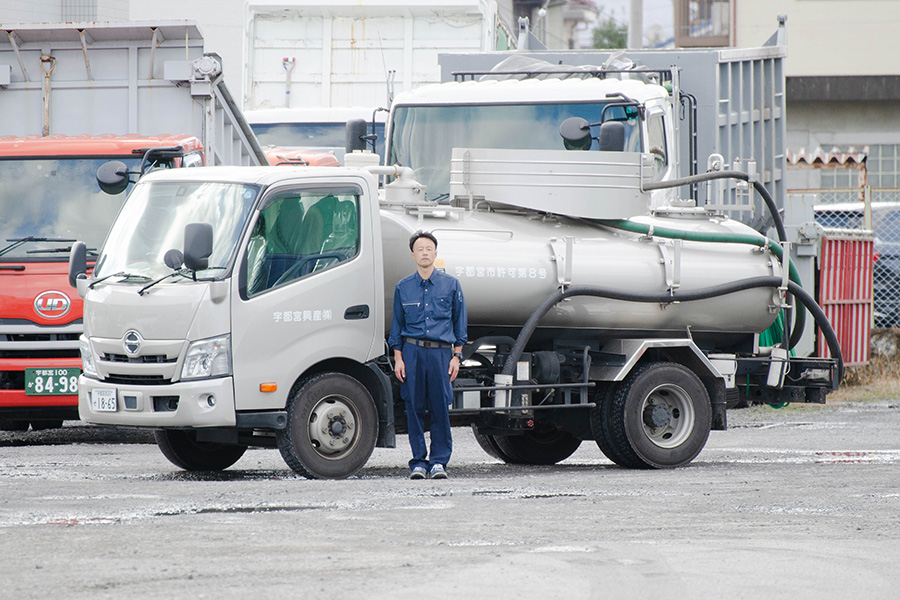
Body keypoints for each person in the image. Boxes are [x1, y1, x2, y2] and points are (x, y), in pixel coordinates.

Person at [388, 231, 467, 480]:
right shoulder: (403, 287)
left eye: (429, 248)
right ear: (413, 255)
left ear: (435, 253)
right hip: (411, 352)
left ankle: (439, 462)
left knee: (439, 408)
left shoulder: (451, 285)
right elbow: (397, 326)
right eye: (420, 249)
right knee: (413, 407)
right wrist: (398, 359)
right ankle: (418, 463)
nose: (424, 252)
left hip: (441, 354)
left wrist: (457, 356)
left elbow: (459, 322)